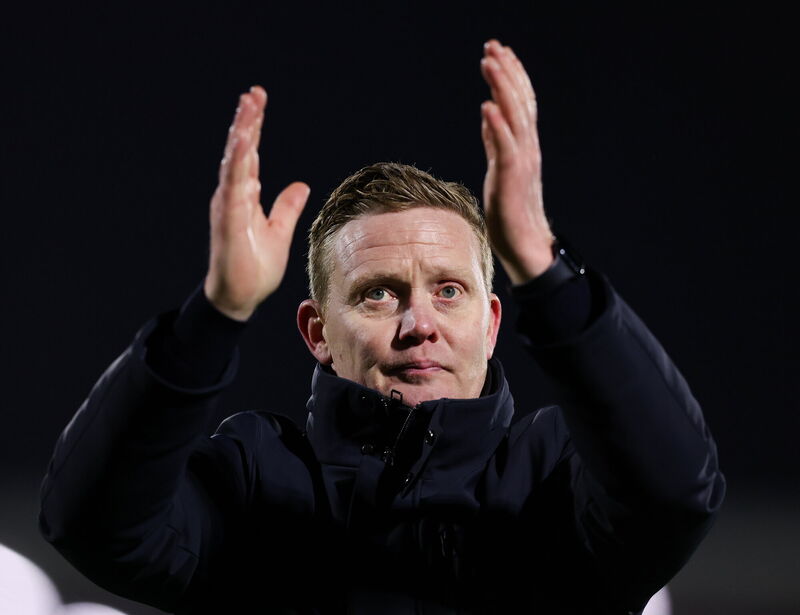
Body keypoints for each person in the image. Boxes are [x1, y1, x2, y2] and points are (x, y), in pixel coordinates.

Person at [39, 40, 725, 614]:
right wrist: (215, 313)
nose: (419, 322)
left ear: (491, 324)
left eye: (449, 290)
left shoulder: (555, 480)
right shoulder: (255, 482)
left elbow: (676, 492)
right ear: (317, 332)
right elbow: (93, 524)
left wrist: (545, 270)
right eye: (378, 295)